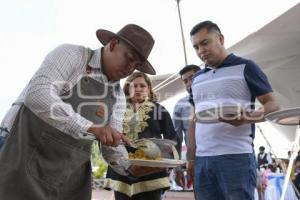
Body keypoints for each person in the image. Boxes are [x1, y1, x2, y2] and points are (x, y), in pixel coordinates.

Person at [0, 24, 160, 200]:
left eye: (136, 65)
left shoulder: (118, 97)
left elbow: (111, 144)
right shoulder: (72, 56)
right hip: (23, 153)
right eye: (129, 58)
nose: (130, 68)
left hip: (70, 174)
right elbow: (38, 94)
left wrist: (129, 167)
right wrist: (91, 127)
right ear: (113, 44)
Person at [187, 20, 280, 200]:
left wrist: (246, 118)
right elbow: (193, 118)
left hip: (236, 156)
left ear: (220, 39)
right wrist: (191, 158)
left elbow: (272, 104)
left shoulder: (246, 67)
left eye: (205, 43)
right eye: (196, 47)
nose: (201, 51)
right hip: (202, 160)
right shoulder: (197, 78)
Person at [103, 72, 179, 200]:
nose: (138, 89)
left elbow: (171, 137)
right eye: (134, 86)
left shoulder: (159, 109)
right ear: (127, 89)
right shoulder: (117, 109)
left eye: (142, 86)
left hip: (150, 169)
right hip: (121, 167)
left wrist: (168, 163)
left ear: (149, 89)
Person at [172, 64, 200, 189]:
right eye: (185, 81)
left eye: (192, 78)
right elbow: (176, 140)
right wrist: (177, 168)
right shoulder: (180, 105)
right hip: (195, 162)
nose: (189, 83)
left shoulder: (216, 99)